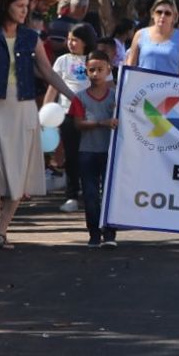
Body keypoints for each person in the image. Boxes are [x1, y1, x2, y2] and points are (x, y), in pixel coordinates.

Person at [0, 0, 76, 249]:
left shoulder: (30, 38)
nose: (25, 11)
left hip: (23, 106)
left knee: (19, 171)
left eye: (27, 6)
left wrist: (74, 96)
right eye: (20, 6)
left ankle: (1, 228)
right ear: (6, 5)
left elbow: (48, 72)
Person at [67, 50, 118, 247]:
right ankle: (94, 233)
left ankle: (110, 233)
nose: (95, 74)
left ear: (108, 70)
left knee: (109, 194)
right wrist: (102, 123)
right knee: (90, 194)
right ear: (86, 72)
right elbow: (78, 124)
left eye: (100, 69)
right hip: (87, 151)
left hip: (110, 152)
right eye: (91, 70)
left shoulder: (116, 96)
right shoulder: (80, 97)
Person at [45, 24, 97, 213]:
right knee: (72, 156)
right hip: (68, 115)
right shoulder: (62, 61)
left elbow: (107, 86)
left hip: (92, 116)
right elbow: (53, 87)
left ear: (86, 41)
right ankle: (71, 195)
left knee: (91, 156)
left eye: (75, 39)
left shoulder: (95, 59)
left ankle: (91, 192)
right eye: (69, 39)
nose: (70, 43)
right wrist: (45, 110)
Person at [125, 0, 179, 77]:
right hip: (144, 87)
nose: (163, 16)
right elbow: (130, 67)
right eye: (159, 12)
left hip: (169, 87)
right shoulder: (140, 34)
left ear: (174, 17)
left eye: (167, 13)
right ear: (152, 14)